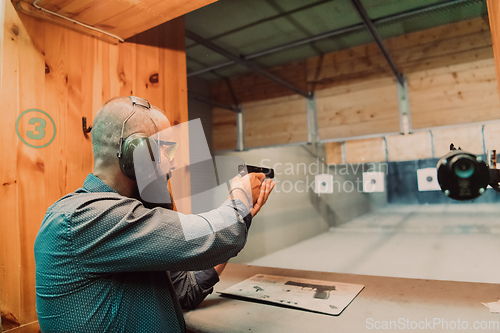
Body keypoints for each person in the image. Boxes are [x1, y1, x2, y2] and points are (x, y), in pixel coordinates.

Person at [34, 96, 275, 332]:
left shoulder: (129, 219)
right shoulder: (84, 217)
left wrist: (243, 213)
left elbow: (185, 291)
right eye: (166, 151)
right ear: (137, 153)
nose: (170, 165)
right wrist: (239, 196)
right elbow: (215, 237)